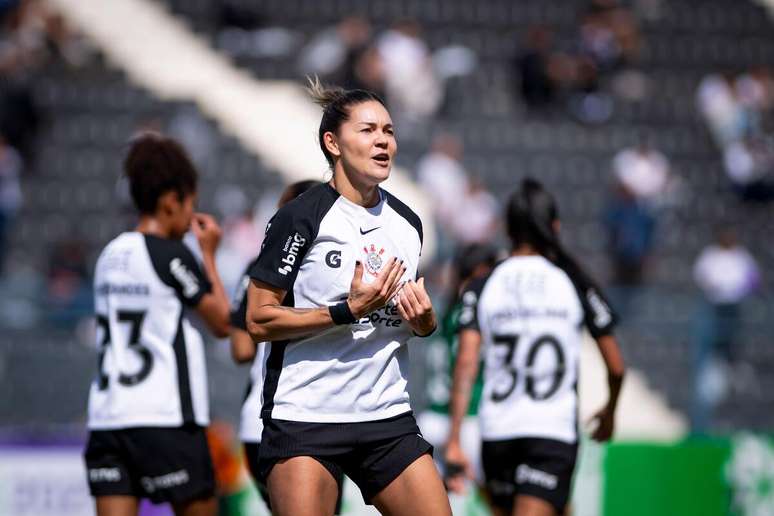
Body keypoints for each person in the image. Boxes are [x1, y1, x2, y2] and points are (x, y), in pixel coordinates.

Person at [244, 79, 451, 516]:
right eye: (368, 130)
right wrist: (345, 311)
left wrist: (425, 321)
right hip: (306, 418)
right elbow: (258, 320)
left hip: (386, 418)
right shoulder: (301, 216)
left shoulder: (407, 224)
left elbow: (412, 324)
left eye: (389, 131)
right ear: (332, 143)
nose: (382, 141)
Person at [445, 178, 625, 516]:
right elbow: (616, 367)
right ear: (554, 226)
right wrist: (610, 410)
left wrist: (454, 439)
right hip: (550, 432)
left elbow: (466, 363)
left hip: (497, 432)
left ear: (508, 231)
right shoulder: (573, 279)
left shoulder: (483, 284)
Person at [84, 133, 231, 516]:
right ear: (171, 201)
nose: (190, 217)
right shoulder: (169, 254)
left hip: (108, 418)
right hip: (164, 419)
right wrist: (209, 255)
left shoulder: (109, 254)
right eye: (190, 204)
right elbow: (220, 321)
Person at [229, 179, 343, 513]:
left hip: (260, 421)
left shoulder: (256, 269)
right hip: (317, 414)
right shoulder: (332, 269)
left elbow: (241, 349)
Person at [416, 244, 497, 503]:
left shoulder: (445, 307)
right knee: (500, 502)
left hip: (431, 418)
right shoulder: (475, 311)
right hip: (467, 420)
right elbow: (465, 363)